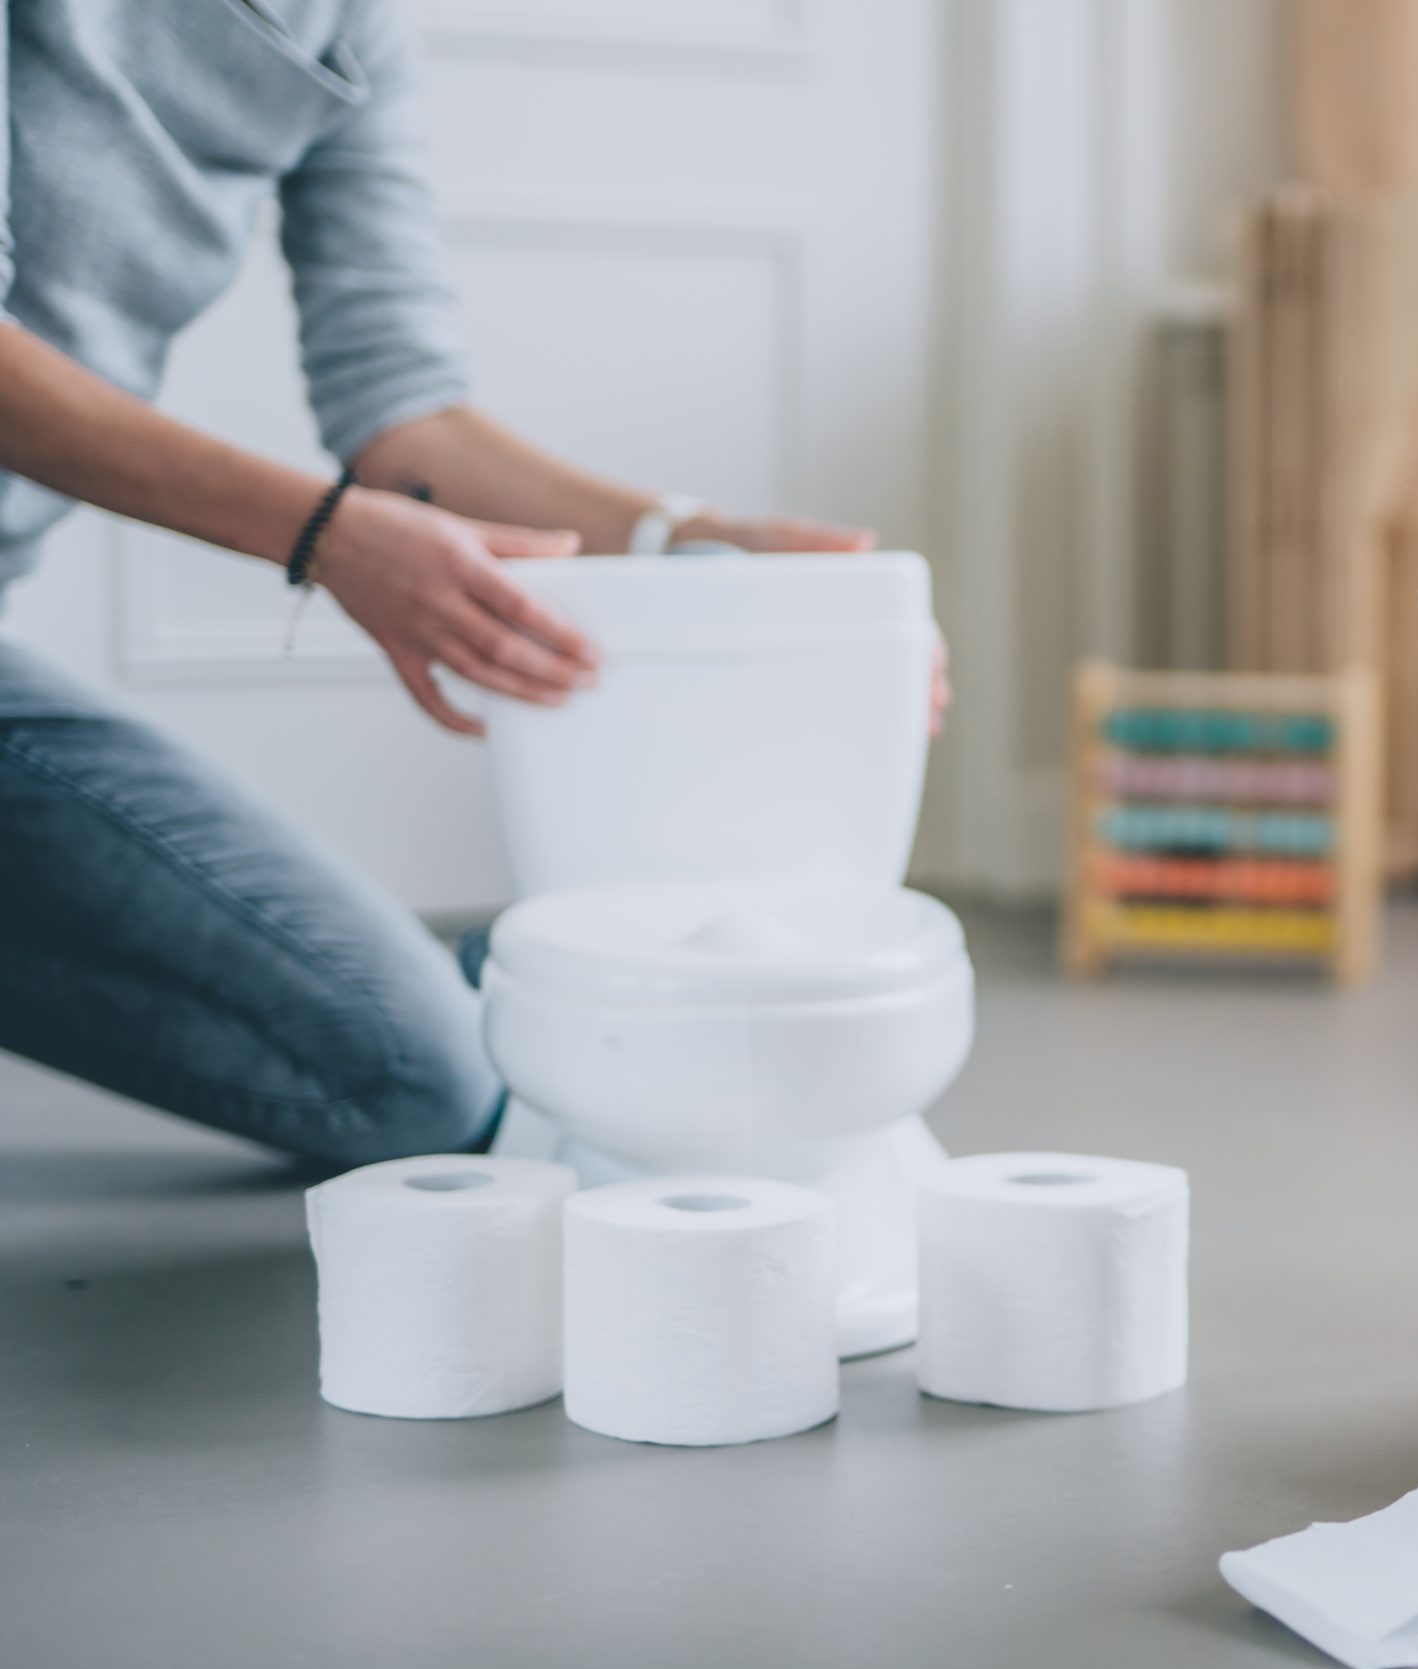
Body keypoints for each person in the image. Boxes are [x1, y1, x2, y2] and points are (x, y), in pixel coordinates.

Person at [0, 1, 938, 1170]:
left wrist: (697, 543)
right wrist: (324, 536)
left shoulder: (353, 30)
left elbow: (405, 412)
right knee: (424, 1075)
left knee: (455, 1054)